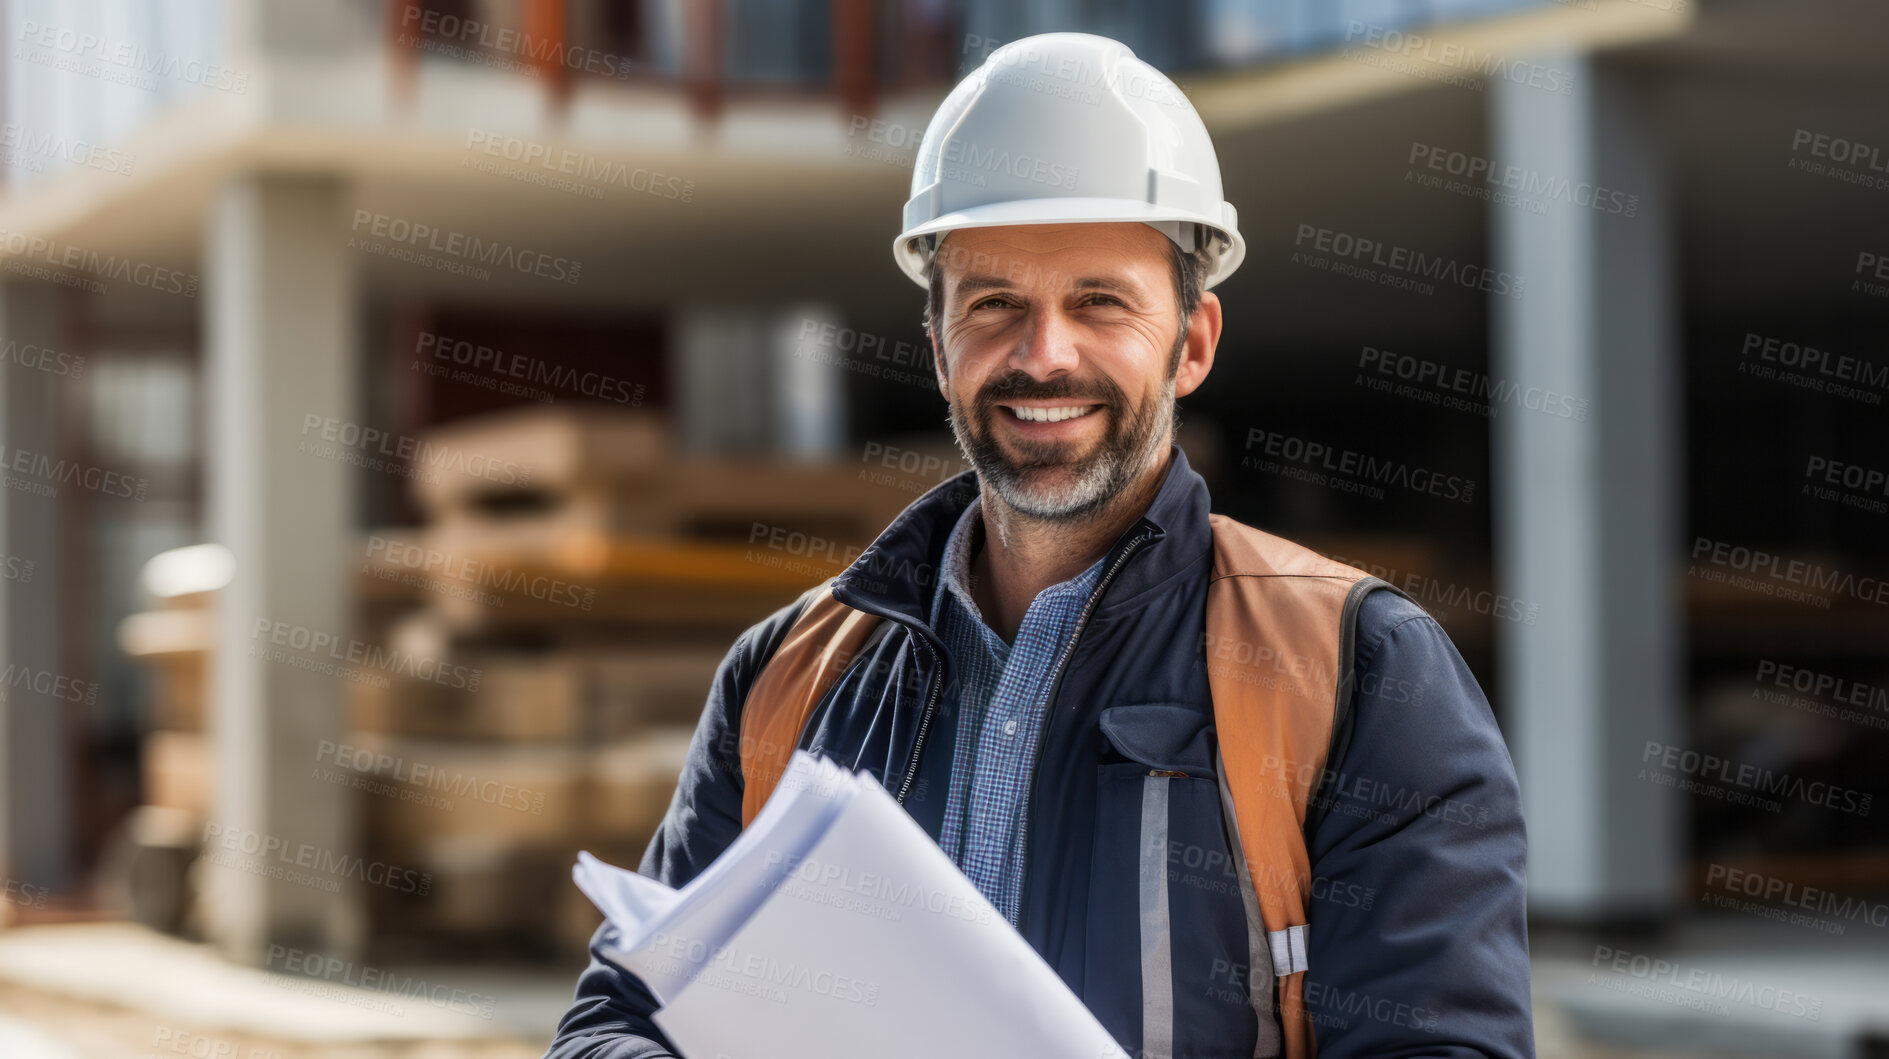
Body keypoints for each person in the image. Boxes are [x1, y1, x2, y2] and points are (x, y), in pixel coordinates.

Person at [547, 32, 1533, 1059]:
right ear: (937, 350)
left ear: (1190, 343)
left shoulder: (1355, 668)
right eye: (994, 305)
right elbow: (621, 1018)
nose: (1042, 354)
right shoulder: (786, 677)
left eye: (1098, 302)